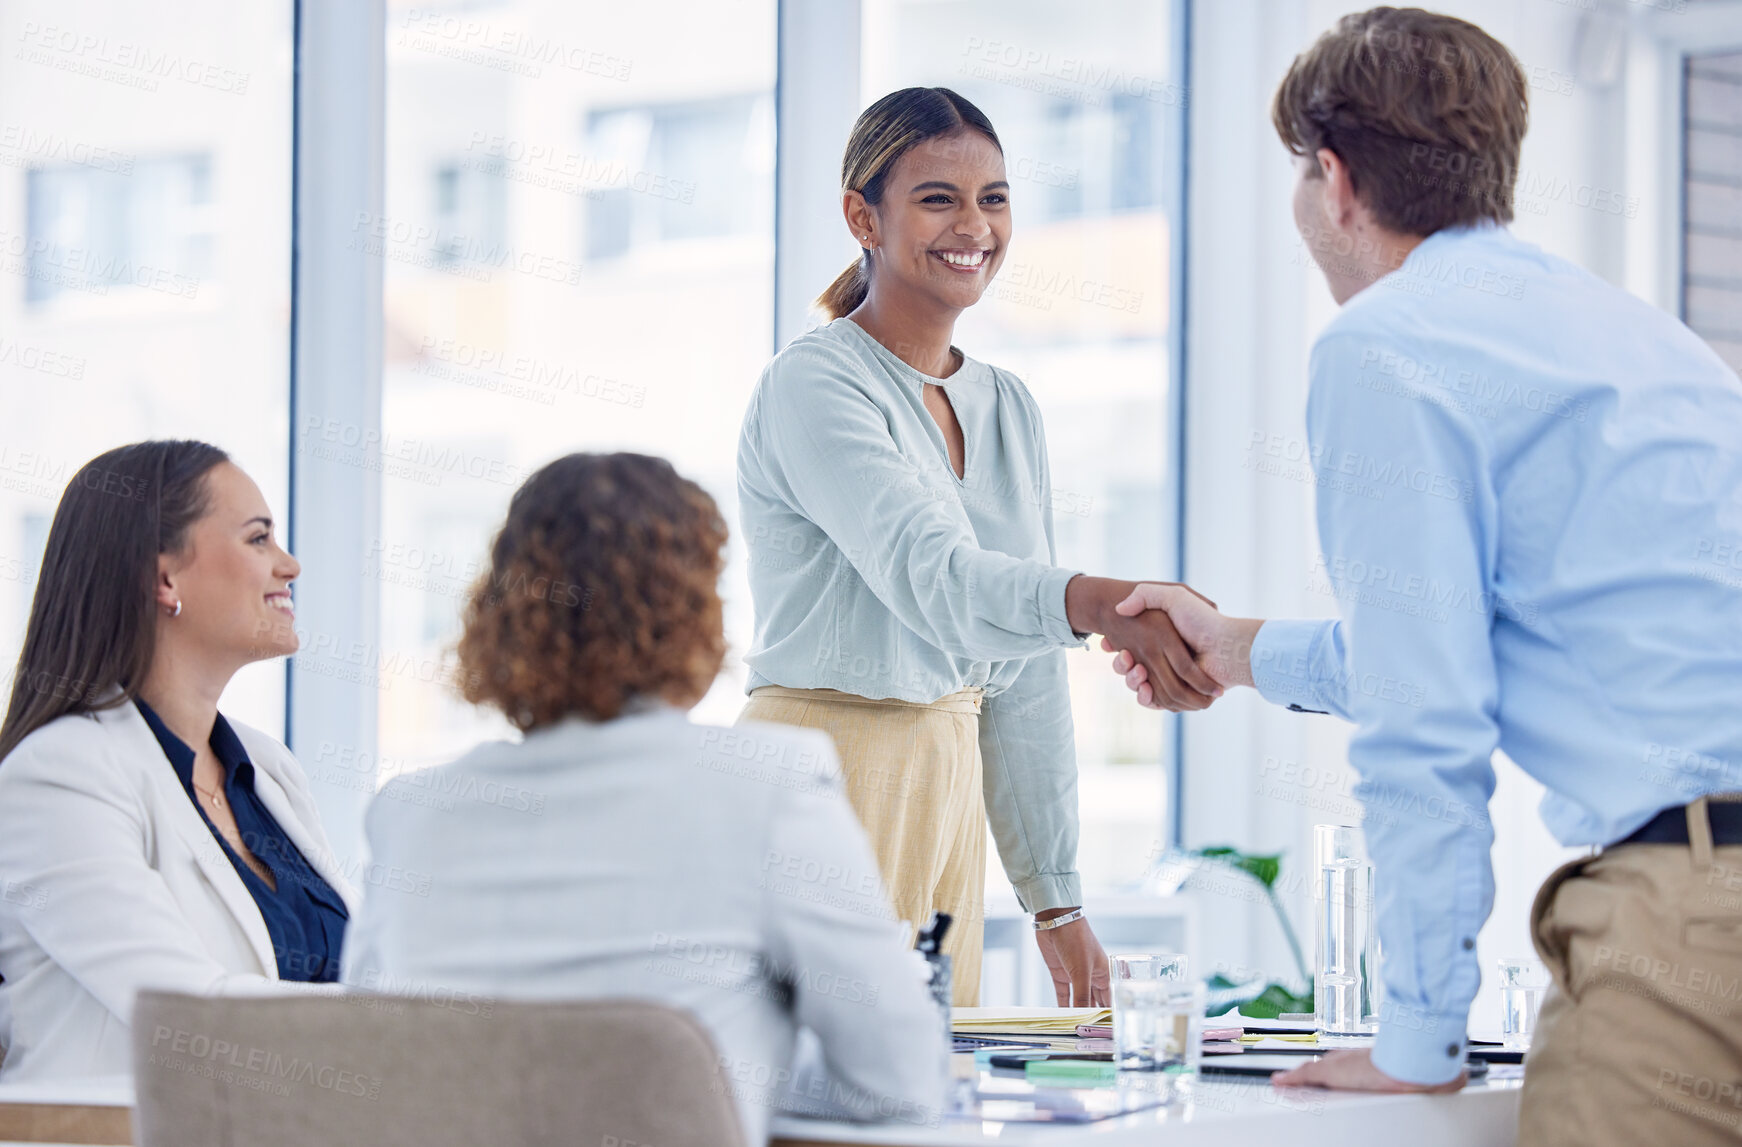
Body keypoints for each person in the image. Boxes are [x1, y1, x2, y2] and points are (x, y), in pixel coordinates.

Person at [1106, 8, 1742, 1143]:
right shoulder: (1635, 338)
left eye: (1298, 178)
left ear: (1334, 181)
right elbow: (1511, 639)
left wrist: (1415, 1039)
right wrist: (1236, 646)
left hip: (1692, 914)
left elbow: (1424, 722)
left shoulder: (1386, 342)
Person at [736, 86, 1220, 1008]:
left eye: (994, 198)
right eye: (937, 198)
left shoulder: (1008, 406)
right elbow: (939, 583)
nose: (974, 225)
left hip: (944, 785)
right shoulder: (814, 385)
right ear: (861, 217)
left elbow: (1024, 662)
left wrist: (1055, 898)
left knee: (926, 1091)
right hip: (819, 774)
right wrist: (1101, 600)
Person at [340, 453, 944, 1145]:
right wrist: (754, 1057)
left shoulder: (412, 812)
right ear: (694, 612)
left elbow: (374, 1060)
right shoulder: (768, 787)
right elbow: (899, 1079)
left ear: (500, 607)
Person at [0, 441, 356, 1082]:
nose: (290, 564)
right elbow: (186, 1017)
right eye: (258, 539)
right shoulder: (55, 780)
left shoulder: (268, 771)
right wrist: (410, 1024)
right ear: (164, 579)